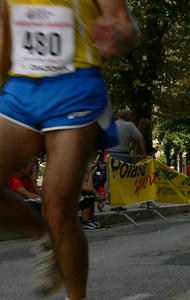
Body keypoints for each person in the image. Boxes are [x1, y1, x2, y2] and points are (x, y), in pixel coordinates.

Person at [0, 1, 140, 299]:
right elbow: (5, 40)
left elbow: (125, 24)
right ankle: (42, 238)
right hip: (22, 87)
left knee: (58, 207)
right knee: (49, 218)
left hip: (75, 86)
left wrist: (118, 34)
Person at [108, 109, 147, 211]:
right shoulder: (129, 125)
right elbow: (140, 138)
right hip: (122, 154)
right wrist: (144, 153)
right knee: (121, 180)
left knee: (112, 179)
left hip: (110, 155)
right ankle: (118, 204)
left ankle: (113, 203)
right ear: (127, 117)